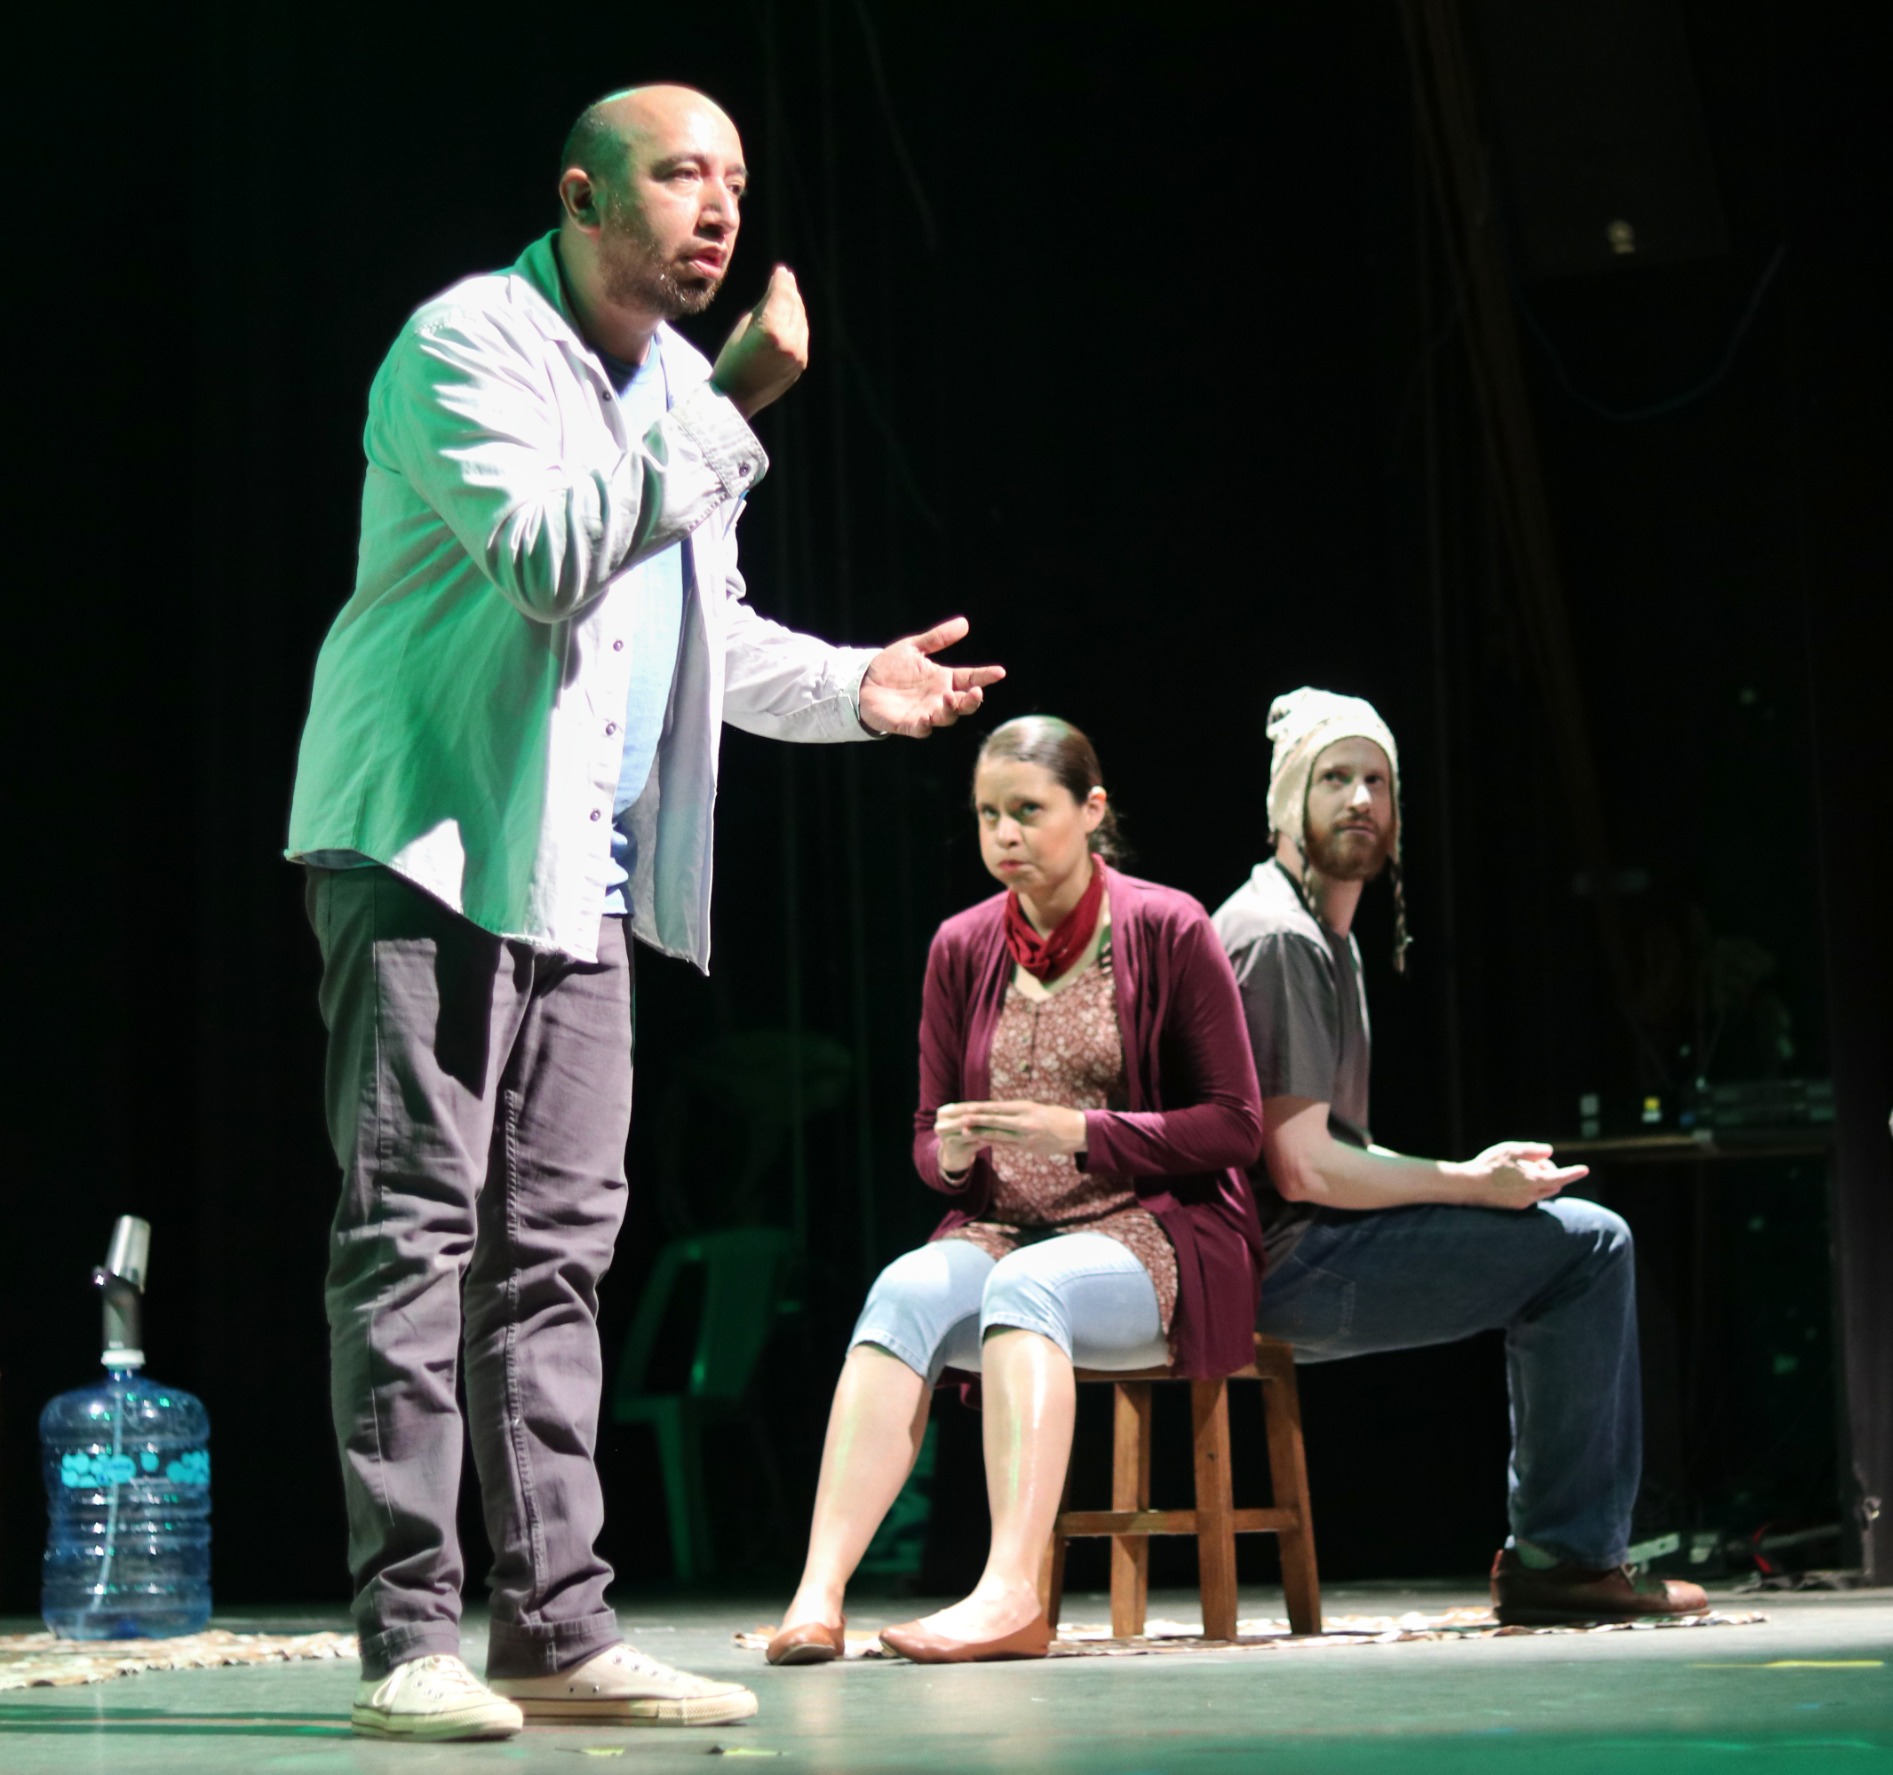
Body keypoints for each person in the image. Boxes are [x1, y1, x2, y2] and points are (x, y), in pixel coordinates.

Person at [286, 86, 1001, 1740]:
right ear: (584, 196)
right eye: (682, 173)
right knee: (413, 1235)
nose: (719, 206)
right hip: (429, 848)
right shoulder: (467, 345)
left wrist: (856, 687)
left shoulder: (681, 386)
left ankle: (554, 1624)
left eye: (736, 179)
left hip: (581, 879)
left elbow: (700, 633)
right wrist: (733, 402)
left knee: (557, 1254)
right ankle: (410, 1637)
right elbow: (548, 557)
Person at [764, 716, 1263, 1666]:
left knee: (1028, 1287)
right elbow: (926, 1138)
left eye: (1028, 811)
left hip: (1155, 1236)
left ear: (1092, 809)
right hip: (1005, 1229)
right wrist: (951, 1156)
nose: (1004, 834)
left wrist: (1083, 1132)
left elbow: (1236, 1125)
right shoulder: (962, 946)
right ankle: (818, 1593)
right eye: (989, 813)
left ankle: (1011, 1593)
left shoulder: (1167, 927)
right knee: (904, 1287)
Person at [1212, 689, 1708, 1625]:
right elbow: (1304, 1169)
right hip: (1280, 1266)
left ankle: (1560, 1555)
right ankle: (1564, 1560)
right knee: (1587, 1249)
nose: (1361, 799)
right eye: (1334, 778)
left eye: (1377, 781)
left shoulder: (1324, 935)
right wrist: (1470, 1184)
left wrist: (1474, 1180)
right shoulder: (1278, 935)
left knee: (1571, 1234)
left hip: (1298, 1247)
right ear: (1287, 803)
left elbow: (1338, 1148)